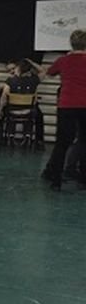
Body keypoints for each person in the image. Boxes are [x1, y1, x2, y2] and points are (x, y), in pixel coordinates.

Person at [42, 29, 86, 190]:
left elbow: (49, 73)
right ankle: (84, 178)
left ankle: (56, 180)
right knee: (84, 141)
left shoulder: (63, 60)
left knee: (62, 143)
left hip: (66, 104)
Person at [0, 58, 45, 145]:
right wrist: (31, 62)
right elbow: (43, 71)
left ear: (18, 68)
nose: (12, 71)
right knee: (39, 115)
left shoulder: (10, 81)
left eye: (14, 68)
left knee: (0, 114)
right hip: (29, 111)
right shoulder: (34, 80)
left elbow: (3, 99)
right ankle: (38, 140)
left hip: (12, 111)